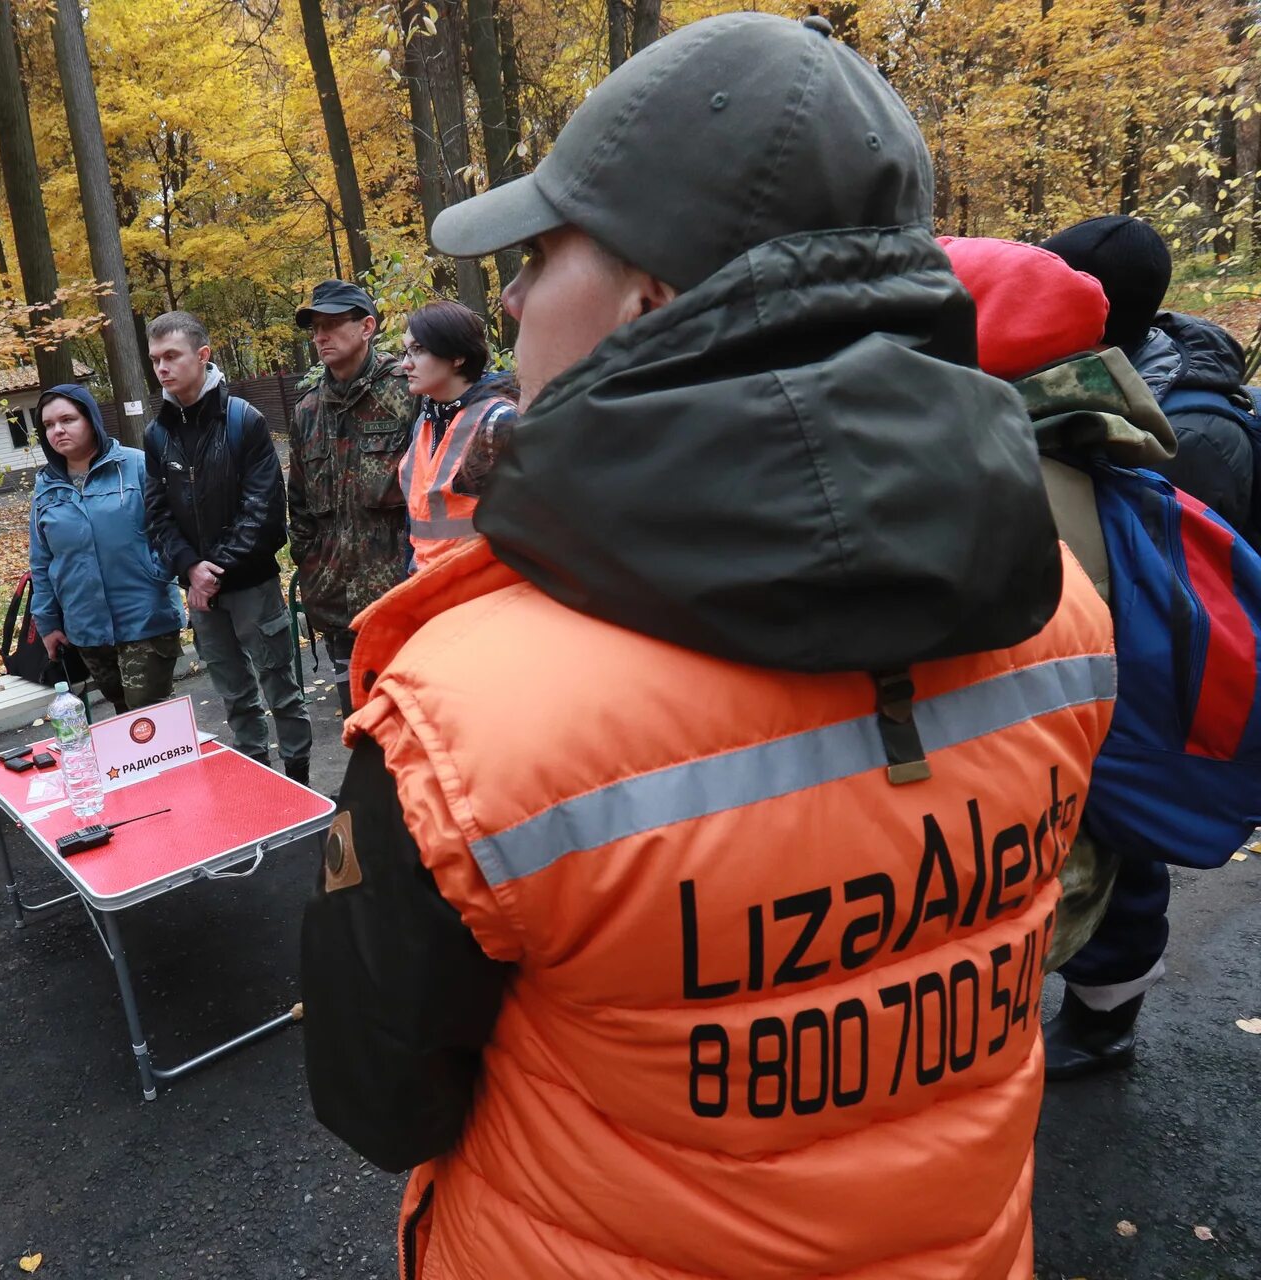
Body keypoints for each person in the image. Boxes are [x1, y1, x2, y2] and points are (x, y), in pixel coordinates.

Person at [300, 15, 1115, 1279]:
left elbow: (381, 1097)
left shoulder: (466, 719)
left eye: (540, 252)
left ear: (651, 296)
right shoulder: (1061, 603)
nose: (507, 297)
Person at [1035, 218, 1258, 1080]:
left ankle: (1105, 1021)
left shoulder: (1190, 435)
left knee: (1121, 838)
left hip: (1147, 671)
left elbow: (1172, 595)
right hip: (1117, 655)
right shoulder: (1129, 380)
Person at [142, 312, 311, 783]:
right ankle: (259, 783)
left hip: (251, 585)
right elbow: (157, 515)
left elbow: (263, 512)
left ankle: (301, 784)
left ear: (202, 356)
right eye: (155, 359)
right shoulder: (157, 434)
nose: (162, 368)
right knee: (234, 696)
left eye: (171, 356)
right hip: (200, 594)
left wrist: (210, 569)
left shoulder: (244, 422)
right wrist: (190, 568)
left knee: (281, 688)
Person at [1044, 215, 1256, 536]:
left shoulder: (1185, 439)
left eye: (1042, 294)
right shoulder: (1094, 373)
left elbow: (1163, 575)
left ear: (1084, 314)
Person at [288, 280, 416, 712]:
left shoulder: (406, 393)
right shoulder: (307, 410)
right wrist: (310, 567)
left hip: (402, 597)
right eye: (315, 327)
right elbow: (300, 505)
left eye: (332, 324)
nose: (320, 335)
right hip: (336, 601)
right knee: (360, 724)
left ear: (367, 327)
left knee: (415, 722)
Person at [28, 383, 184, 714]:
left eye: (67, 419)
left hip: (145, 615)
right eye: (48, 425)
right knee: (123, 714)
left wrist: (158, 572)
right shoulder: (45, 488)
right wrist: (47, 623)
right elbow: (42, 561)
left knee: (150, 716)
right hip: (86, 627)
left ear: (91, 420)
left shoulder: (136, 466)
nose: (57, 430)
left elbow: (172, 529)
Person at [396, 300, 517, 572]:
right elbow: (416, 521)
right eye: (405, 351)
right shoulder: (427, 421)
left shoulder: (498, 422)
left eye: (417, 350)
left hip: (477, 595)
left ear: (457, 356)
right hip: (428, 588)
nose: (405, 364)